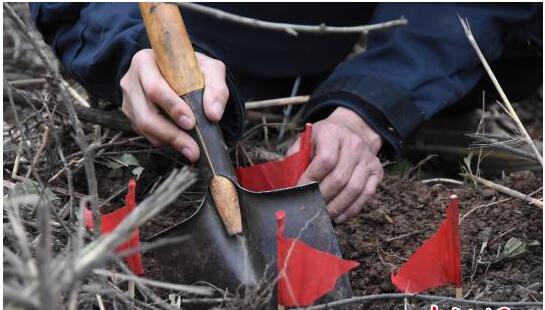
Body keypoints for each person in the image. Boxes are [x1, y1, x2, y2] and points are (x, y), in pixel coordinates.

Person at [30, 3, 542, 223]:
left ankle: (423, 98)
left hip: (339, 25)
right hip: (225, 30)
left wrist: (370, 106)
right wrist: (130, 50)